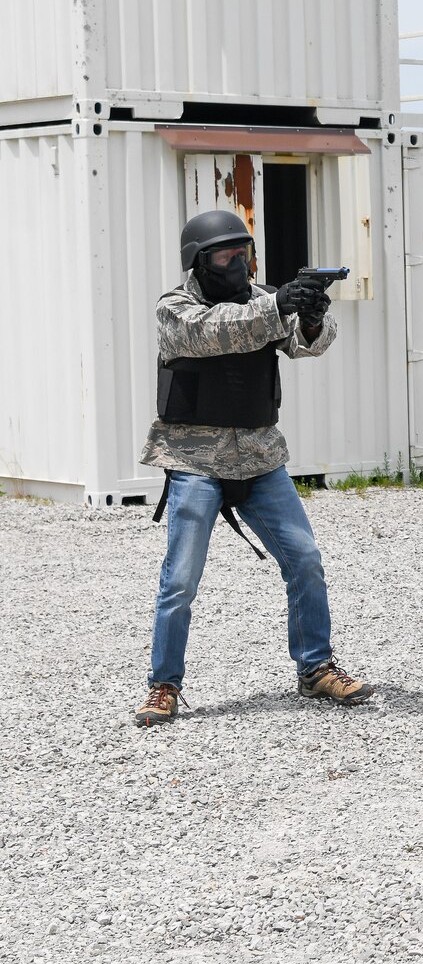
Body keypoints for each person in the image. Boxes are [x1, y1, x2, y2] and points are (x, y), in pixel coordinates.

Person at [134, 210, 375, 726]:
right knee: (180, 580)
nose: (237, 261)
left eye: (242, 251)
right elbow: (212, 334)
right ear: (199, 261)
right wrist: (278, 305)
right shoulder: (176, 308)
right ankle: (163, 684)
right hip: (194, 462)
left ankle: (315, 669)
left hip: (260, 457)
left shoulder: (262, 298)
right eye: (225, 254)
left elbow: (310, 344)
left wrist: (309, 314)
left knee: (306, 560)